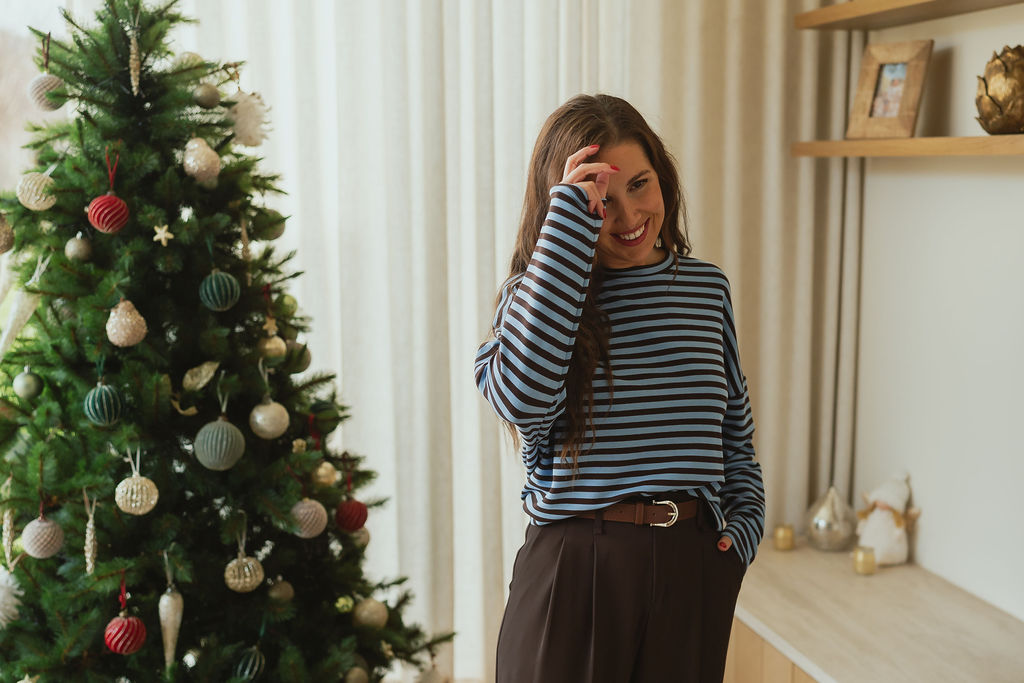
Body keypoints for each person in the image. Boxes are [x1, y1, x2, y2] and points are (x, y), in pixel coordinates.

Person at [474, 93, 766, 682]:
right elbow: (522, 401)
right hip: (574, 566)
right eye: (602, 200)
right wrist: (565, 234)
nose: (629, 216)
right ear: (564, 206)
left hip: (691, 567)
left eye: (640, 185)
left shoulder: (707, 291)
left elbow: (735, 437)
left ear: (664, 178)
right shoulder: (534, 299)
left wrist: (740, 536)